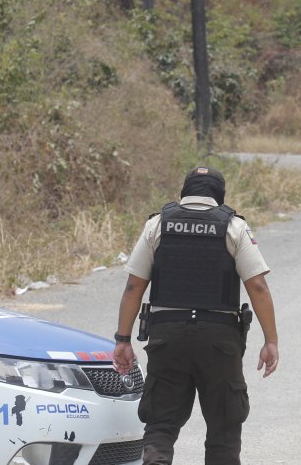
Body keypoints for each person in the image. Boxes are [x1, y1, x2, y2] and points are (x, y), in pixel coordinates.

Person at [113, 165, 278, 465]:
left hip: (167, 337)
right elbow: (257, 286)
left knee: (160, 424)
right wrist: (271, 341)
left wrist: (123, 340)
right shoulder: (234, 226)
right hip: (219, 340)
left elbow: (134, 285)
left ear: (184, 192)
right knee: (224, 426)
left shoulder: (158, 224)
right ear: (220, 195)